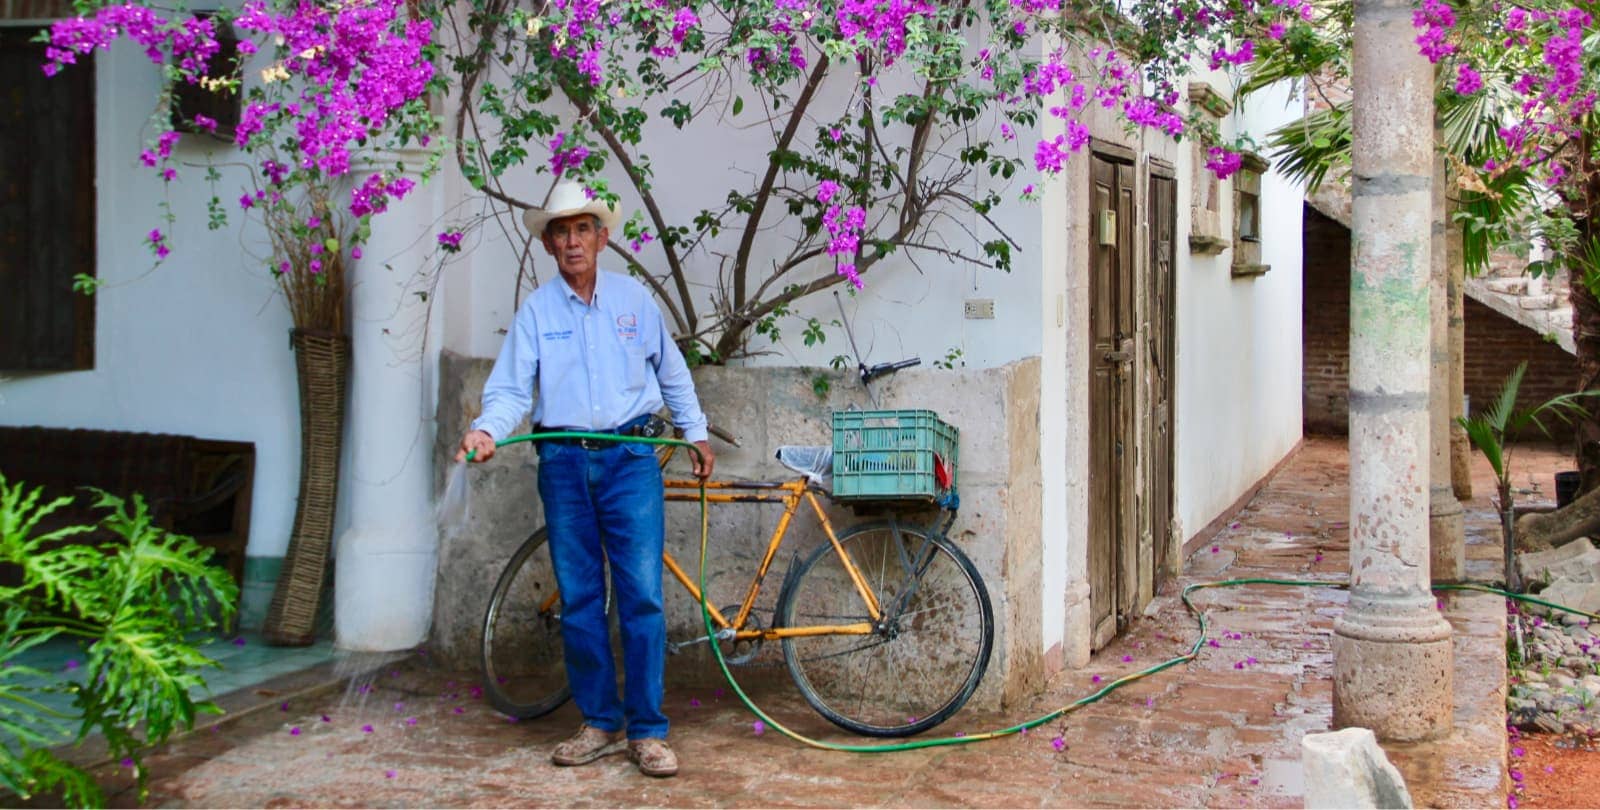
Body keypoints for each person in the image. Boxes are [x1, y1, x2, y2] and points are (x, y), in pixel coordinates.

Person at [456, 180, 714, 778]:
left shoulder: (633, 302)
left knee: (642, 597)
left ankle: (647, 731)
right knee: (579, 598)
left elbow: (672, 372)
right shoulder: (538, 312)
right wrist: (486, 429)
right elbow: (511, 391)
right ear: (548, 245)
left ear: (602, 237)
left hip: (629, 458)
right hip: (564, 462)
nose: (572, 242)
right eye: (561, 232)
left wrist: (695, 432)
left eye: (582, 229)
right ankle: (599, 721)